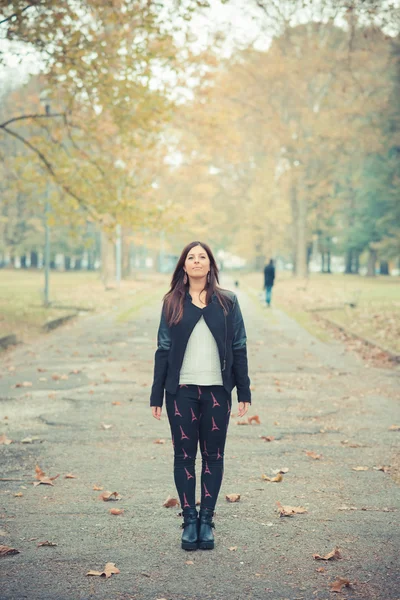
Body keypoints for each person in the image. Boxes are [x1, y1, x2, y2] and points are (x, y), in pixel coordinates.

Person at [150, 241, 251, 551]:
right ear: (184, 266)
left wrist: (244, 389)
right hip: (181, 391)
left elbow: (239, 346)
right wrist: (156, 395)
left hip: (217, 391)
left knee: (213, 457)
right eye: (191, 257)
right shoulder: (172, 302)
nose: (196, 261)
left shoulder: (228, 302)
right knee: (183, 457)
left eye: (202, 257)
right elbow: (163, 349)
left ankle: (206, 521)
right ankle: (189, 519)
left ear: (210, 265)